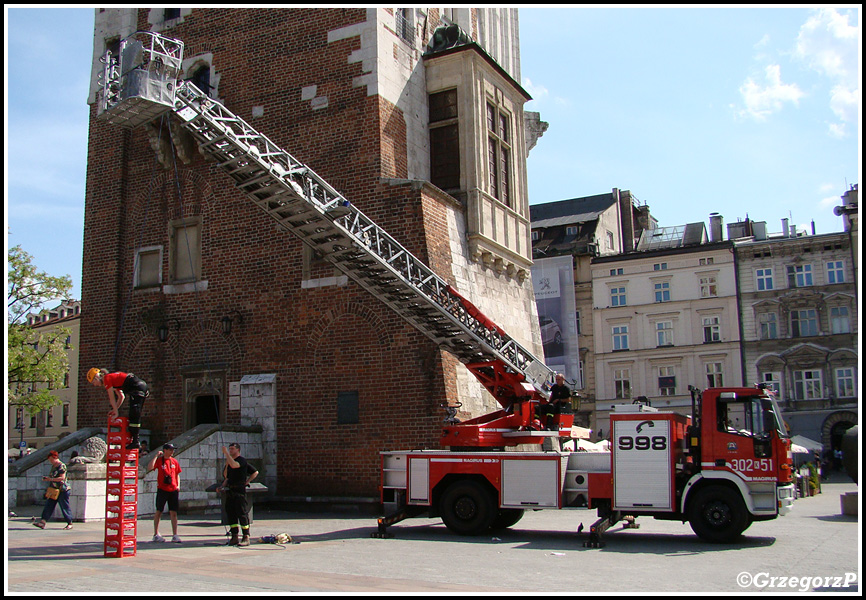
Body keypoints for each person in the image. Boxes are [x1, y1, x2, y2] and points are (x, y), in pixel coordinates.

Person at [87, 368, 149, 450]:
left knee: (134, 414)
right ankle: (135, 440)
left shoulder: (106, 379)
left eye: (93, 382)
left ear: (96, 377)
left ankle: (135, 441)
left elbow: (112, 398)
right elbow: (121, 397)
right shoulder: (112, 379)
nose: (95, 385)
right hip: (139, 386)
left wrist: (116, 412)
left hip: (136, 387)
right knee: (134, 414)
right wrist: (115, 409)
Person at [216, 443, 258, 546]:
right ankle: (234, 536)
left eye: (232, 449)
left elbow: (236, 466)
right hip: (230, 490)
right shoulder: (229, 462)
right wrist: (222, 486)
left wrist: (247, 481)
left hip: (239, 490)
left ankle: (246, 536)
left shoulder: (241, 460)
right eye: (229, 449)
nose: (230, 450)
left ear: (238, 450)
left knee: (242, 513)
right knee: (231, 513)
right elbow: (226, 476)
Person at [148, 443, 182, 543]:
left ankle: (175, 534)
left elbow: (177, 474)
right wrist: (155, 456)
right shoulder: (160, 460)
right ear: (165, 450)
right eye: (170, 450)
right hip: (162, 489)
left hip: (173, 489)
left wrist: (178, 486)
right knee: (159, 511)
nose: (172, 452)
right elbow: (150, 467)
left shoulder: (174, 461)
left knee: (174, 512)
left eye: (173, 450)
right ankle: (156, 533)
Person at [32, 451, 73, 530]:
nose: (50, 461)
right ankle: (42, 522)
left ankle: (69, 523)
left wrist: (50, 479)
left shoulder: (61, 466)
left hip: (62, 490)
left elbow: (62, 478)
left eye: (51, 459)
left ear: (55, 458)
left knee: (64, 506)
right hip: (54, 489)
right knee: (49, 505)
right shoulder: (54, 466)